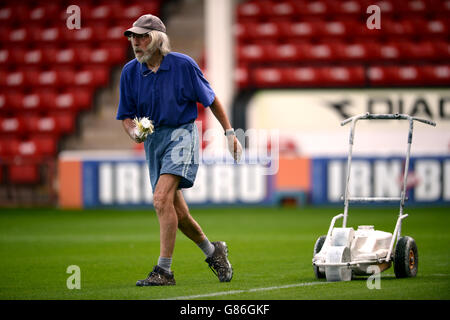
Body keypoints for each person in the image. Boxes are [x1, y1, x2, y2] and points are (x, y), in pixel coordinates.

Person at [116, 14, 242, 286]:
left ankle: (164, 271)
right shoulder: (129, 72)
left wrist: (230, 133)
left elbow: (211, 99)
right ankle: (213, 251)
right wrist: (133, 132)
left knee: (161, 199)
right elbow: (126, 116)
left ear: (157, 39)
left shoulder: (183, 65)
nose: (136, 42)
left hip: (182, 135)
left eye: (142, 37)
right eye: (133, 37)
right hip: (153, 142)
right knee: (178, 212)